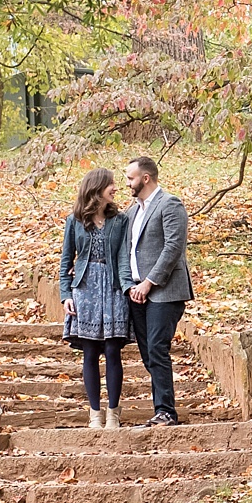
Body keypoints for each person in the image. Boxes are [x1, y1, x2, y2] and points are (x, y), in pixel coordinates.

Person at [58, 167, 133, 431]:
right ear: (97, 188)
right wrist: (65, 295)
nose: (116, 188)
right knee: (89, 351)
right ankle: (94, 414)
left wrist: (127, 289)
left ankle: (113, 412)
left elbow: (124, 257)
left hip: (112, 287)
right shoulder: (75, 220)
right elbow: (66, 260)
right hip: (85, 288)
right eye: (111, 184)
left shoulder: (120, 220)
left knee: (113, 350)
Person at [124, 155, 192, 428]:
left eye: (130, 178)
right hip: (137, 292)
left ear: (146, 178)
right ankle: (160, 408)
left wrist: (149, 282)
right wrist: (131, 284)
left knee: (157, 348)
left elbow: (174, 248)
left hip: (165, 291)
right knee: (147, 353)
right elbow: (128, 251)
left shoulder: (170, 204)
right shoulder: (132, 212)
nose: (127, 183)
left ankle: (166, 411)